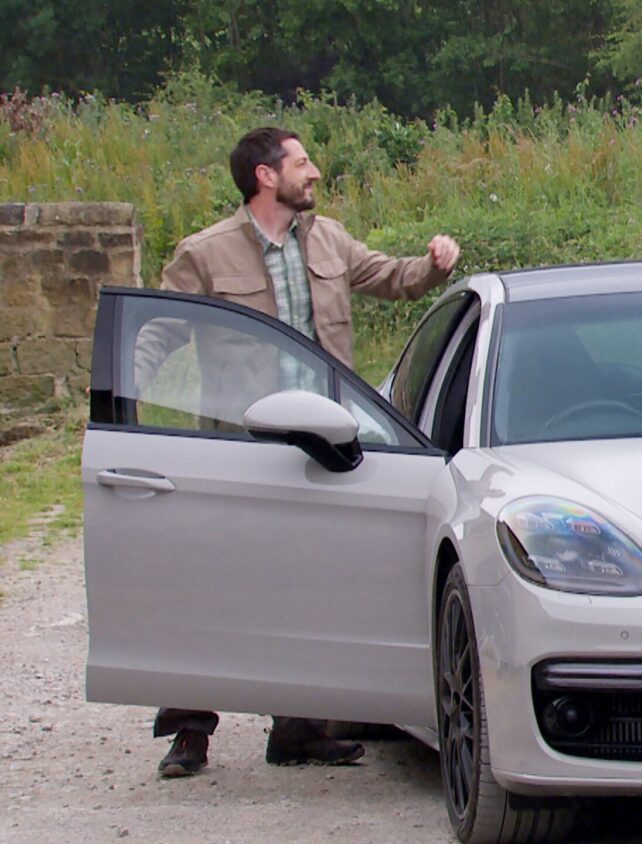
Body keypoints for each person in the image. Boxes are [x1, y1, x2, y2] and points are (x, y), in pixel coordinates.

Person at [148, 126, 461, 778]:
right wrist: (119, 400)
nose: (314, 172)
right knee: (211, 586)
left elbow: (393, 278)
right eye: (301, 162)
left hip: (320, 445)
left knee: (309, 583)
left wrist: (434, 264)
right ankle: (189, 732)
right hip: (240, 448)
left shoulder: (330, 239)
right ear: (266, 176)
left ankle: (298, 729)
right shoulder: (202, 254)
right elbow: (155, 332)